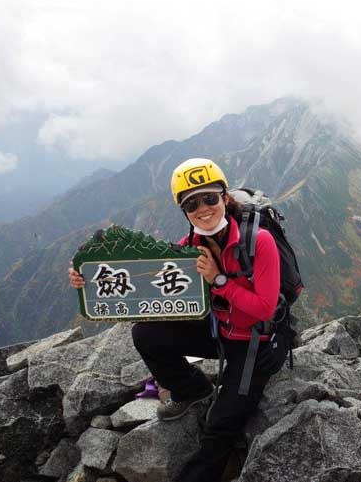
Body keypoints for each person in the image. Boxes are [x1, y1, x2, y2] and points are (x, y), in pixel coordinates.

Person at [68, 158, 289, 481]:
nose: (203, 208)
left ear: (225, 199)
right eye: (191, 203)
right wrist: (86, 276)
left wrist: (219, 281)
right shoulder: (189, 249)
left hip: (257, 341)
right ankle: (194, 389)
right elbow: (143, 274)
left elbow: (265, 309)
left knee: (220, 424)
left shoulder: (259, 242)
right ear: (184, 211)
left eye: (210, 198)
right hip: (220, 331)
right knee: (146, 334)